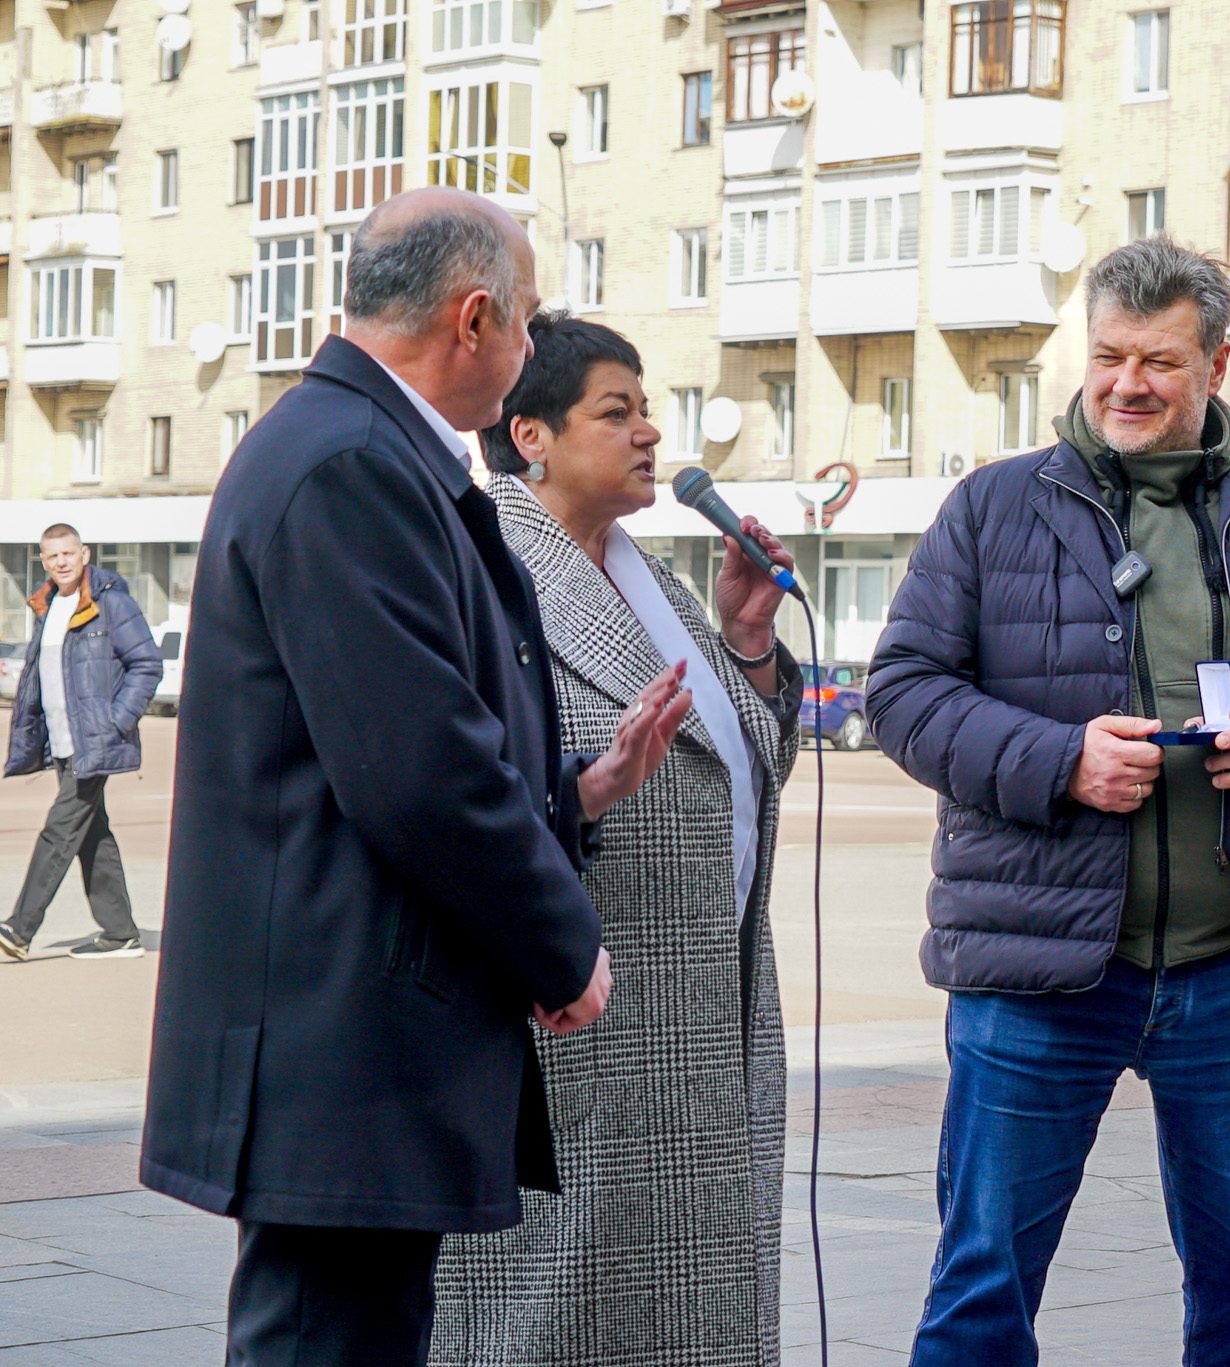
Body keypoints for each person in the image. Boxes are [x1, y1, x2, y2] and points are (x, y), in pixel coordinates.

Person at [140, 188, 694, 1367]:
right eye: (530, 322)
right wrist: (559, 944)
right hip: (335, 1037)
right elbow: (420, 770)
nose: (534, 347)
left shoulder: (366, 450)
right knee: (323, 1343)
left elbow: (424, 732)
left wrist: (576, 791)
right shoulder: (349, 464)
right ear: (475, 317)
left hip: (355, 1025)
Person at [869, 238, 1230, 1367]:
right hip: (1035, 973)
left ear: (1214, 363)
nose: (1126, 382)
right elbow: (902, 693)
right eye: (1109, 355)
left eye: (1158, 361)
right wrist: (1055, 757)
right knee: (981, 1282)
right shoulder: (992, 507)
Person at [430, 313, 803, 1365]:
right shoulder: (481, 569)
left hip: (699, 1024)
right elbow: (450, 791)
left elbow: (744, 770)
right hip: (576, 1038)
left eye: (648, 409)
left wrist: (747, 643)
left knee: (683, 1317)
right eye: (616, 410)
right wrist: (582, 793)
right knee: (560, 1321)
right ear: (530, 432)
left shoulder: (651, 579)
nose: (649, 433)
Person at [0, 524, 162, 962]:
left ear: (85, 554)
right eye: (52, 557)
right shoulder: (47, 606)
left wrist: (116, 720)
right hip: (63, 742)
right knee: (92, 834)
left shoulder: (110, 602)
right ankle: (120, 932)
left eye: (69, 553)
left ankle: (18, 928)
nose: (62, 563)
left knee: (59, 831)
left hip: (95, 741)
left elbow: (146, 663)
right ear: (44, 561)